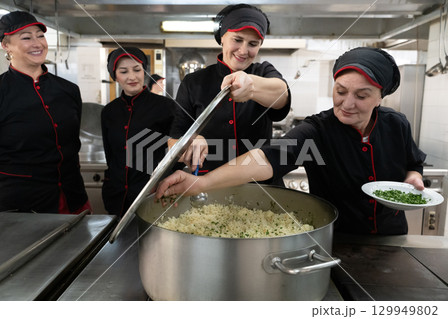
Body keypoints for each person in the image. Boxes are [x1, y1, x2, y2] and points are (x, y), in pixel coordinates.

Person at [156, 47, 427, 236]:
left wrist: (413, 177)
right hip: (337, 238)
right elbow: (266, 158)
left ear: (381, 97)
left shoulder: (396, 124)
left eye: (362, 96)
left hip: (393, 235)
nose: (347, 104)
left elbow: (414, 164)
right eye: (341, 91)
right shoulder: (317, 129)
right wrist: (203, 182)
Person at [168, 3, 291, 183]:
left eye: (253, 44)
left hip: (261, 187)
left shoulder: (263, 72)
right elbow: (174, 140)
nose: (243, 50)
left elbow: (282, 94)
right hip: (208, 188)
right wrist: (190, 141)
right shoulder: (193, 82)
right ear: (222, 37)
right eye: (237, 39)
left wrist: (251, 86)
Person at [0, 11, 90, 214]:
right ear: (6, 45)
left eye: (40, 35)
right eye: (26, 37)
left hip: (73, 197)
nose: (37, 43)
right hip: (20, 207)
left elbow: (72, 145)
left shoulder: (69, 90)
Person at [101, 47, 177, 216]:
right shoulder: (109, 111)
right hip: (117, 196)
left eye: (137, 69)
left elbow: (177, 153)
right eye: (123, 71)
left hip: (152, 194)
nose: (132, 77)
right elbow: (110, 156)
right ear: (115, 76)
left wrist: (166, 181)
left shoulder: (166, 107)